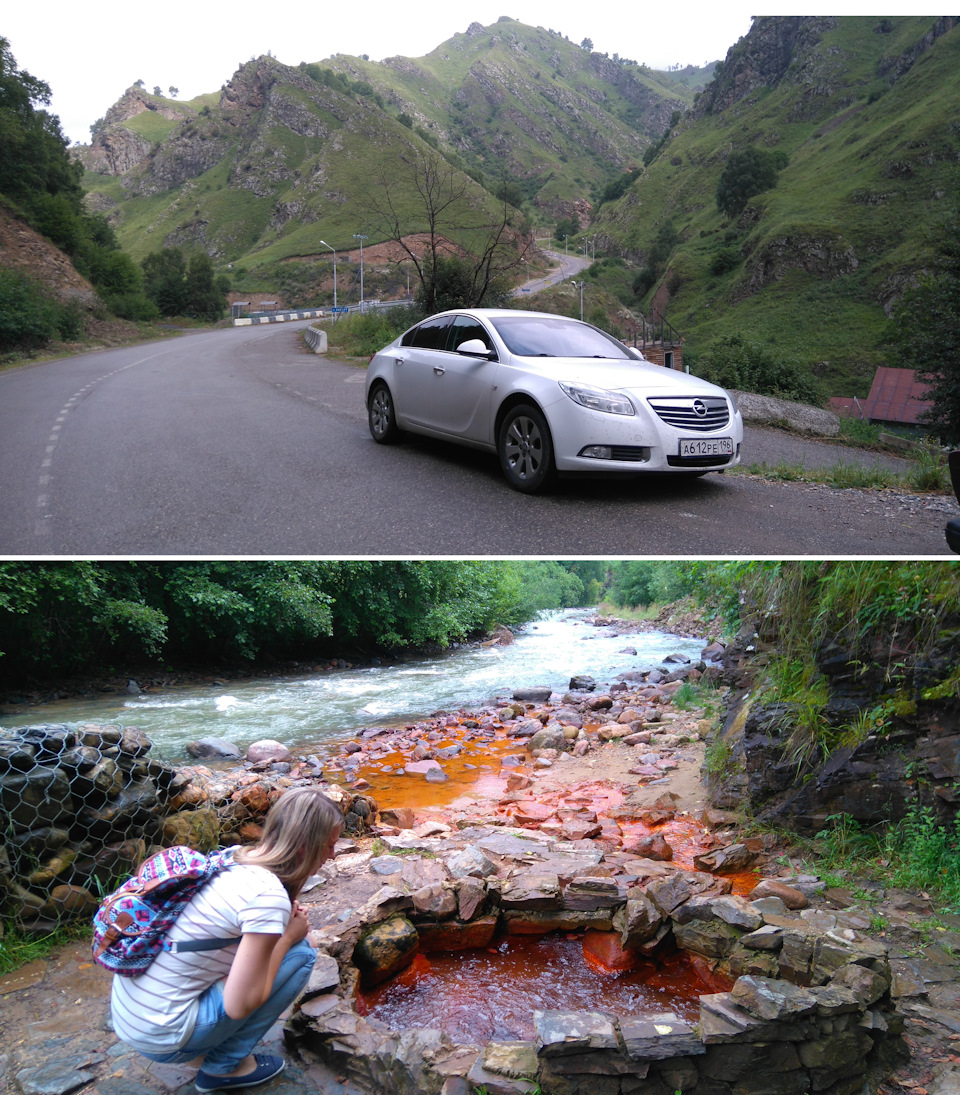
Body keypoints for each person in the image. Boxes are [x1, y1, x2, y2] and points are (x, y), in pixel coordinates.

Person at [110, 787, 342, 1093]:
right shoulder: (267, 894)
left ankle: (205, 1043)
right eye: (329, 846)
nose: (332, 855)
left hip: (134, 1020)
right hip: (163, 1038)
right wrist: (286, 939)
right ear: (305, 848)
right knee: (302, 954)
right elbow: (237, 1005)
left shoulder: (233, 857)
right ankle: (224, 1067)